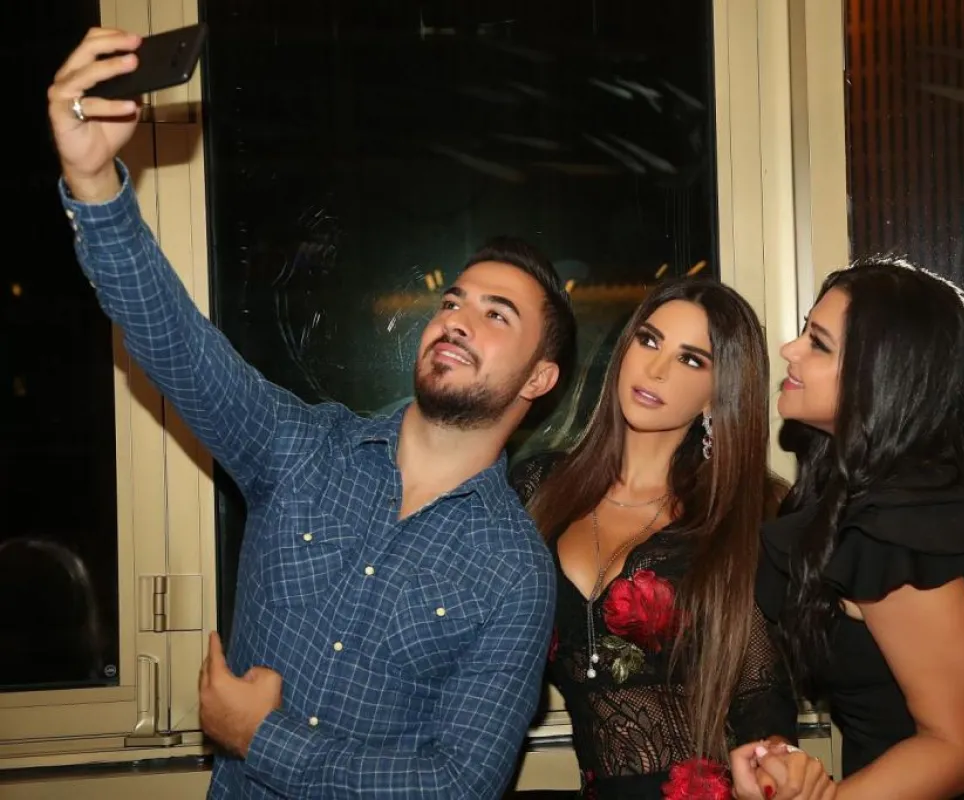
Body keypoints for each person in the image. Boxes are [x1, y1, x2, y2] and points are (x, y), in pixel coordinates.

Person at [48, 28, 577, 798]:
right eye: (452, 301)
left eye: (497, 315)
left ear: (540, 378)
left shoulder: (514, 571)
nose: (458, 319)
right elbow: (175, 343)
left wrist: (263, 739)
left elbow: (461, 783)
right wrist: (93, 181)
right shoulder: (301, 449)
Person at [733, 258, 964, 799]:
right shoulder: (906, 498)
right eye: (805, 331)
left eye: (818, 343)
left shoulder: (898, 529)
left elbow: (958, 747)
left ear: (882, 376)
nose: (789, 350)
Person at [511, 278, 814, 799]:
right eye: (649, 340)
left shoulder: (747, 514)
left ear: (718, 394)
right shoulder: (538, 488)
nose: (655, 369)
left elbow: (760, 689)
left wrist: (775, 762)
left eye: (691, 360)